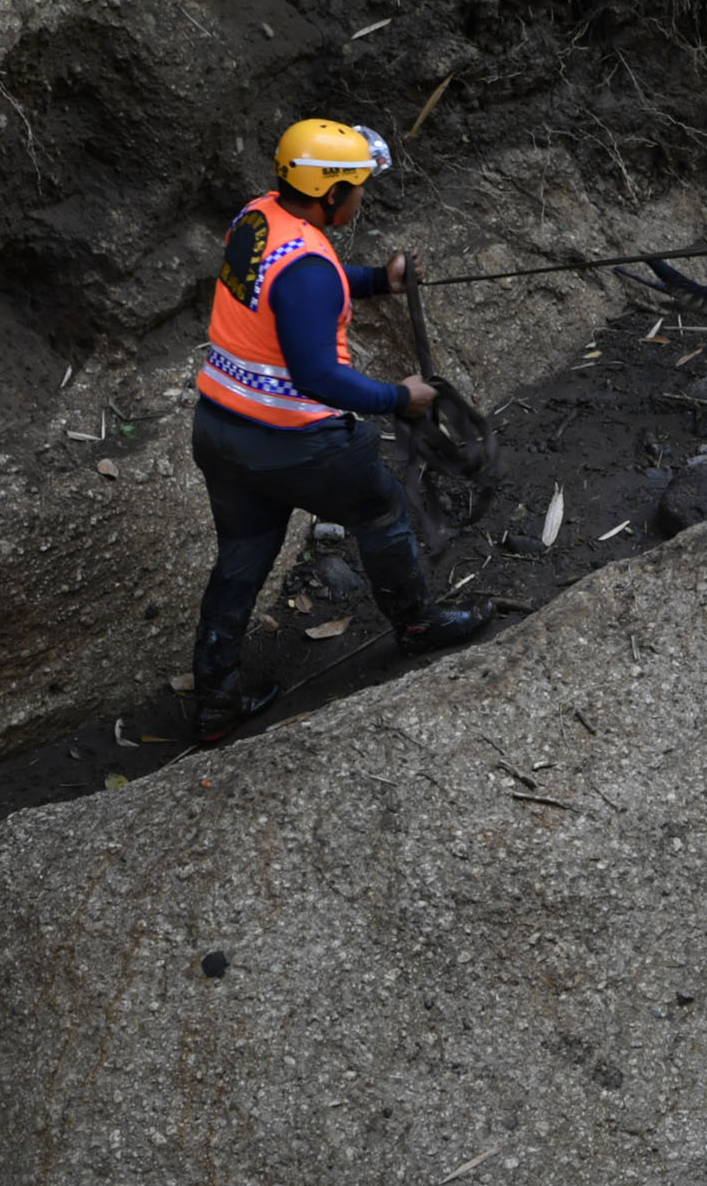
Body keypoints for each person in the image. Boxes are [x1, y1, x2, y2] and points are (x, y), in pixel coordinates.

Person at [188, 117, 490, 743]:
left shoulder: (258, 218)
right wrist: (397, 397)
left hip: (220, 430)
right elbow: (319, 374)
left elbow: (305, 281)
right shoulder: (308, 269)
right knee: (381, 510)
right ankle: (416, 625)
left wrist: (382, 279)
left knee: (242, 559)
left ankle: (215, 701)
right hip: (297, 443)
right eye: (357, 188)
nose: (361, 198)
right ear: (332, 195)